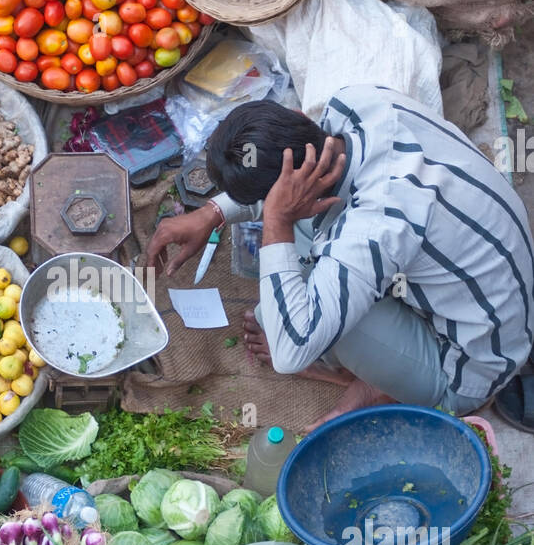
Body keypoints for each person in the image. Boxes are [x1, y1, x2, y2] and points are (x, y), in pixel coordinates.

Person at [146, 85, 534, 427]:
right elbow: (293, 171)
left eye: (273, 203)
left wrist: (278, 221)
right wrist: (213, 212)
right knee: (297, 259)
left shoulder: (375, 226)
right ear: (297, 116)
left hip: (467, 368)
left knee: (285, 316)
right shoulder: (357, 105)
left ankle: (367, 384)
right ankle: (374, 366)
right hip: (480, 279)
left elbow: (289, 351)